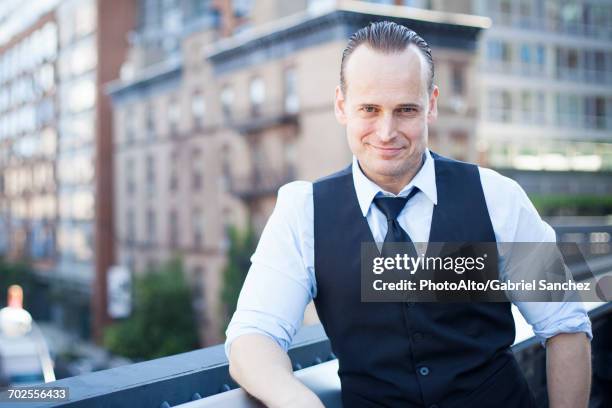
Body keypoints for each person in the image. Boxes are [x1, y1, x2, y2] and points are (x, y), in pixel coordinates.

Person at [225, 21, 592, 408]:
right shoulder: (302, 213)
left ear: (431, 104)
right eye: (369, 109)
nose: (386, 132)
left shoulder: (497, 197)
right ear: (341, 106)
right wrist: (300, 402)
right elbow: (252, 338)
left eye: (405, 110)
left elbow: (565, 323)